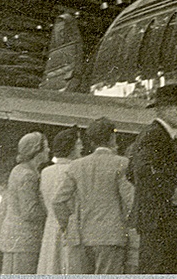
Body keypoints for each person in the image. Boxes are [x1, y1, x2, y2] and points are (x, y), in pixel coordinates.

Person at [53, 117, 135, 274]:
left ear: (91, 141)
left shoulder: (76, 166)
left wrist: (67, 226)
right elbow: (130, 201)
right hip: (111, 237)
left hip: (80, 237)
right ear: (112, 138)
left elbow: (58, 201)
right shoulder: (122, 163)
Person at [127, 82, 177, 273]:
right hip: (160, 220)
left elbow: (131, 171)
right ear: (163, 109)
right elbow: (141, 170)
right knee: (159, 268)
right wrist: (171, 192)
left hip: (158, 219)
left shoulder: (158, 135)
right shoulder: (155, 135)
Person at [0, 130, 51, 272]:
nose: (49, 150)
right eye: (46, 147)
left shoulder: (18, 170)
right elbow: (30, 212)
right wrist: (50, 214)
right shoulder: (28, 175)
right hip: (25, 241)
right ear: (36, 150)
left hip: (14, 239)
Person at [36, 128, 81, 274]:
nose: (82, 147)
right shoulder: (75, 170)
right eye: (78, 144)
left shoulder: (45, 172)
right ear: (71, 147)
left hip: (50, 226)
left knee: (50, 265)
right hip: (69, 225)